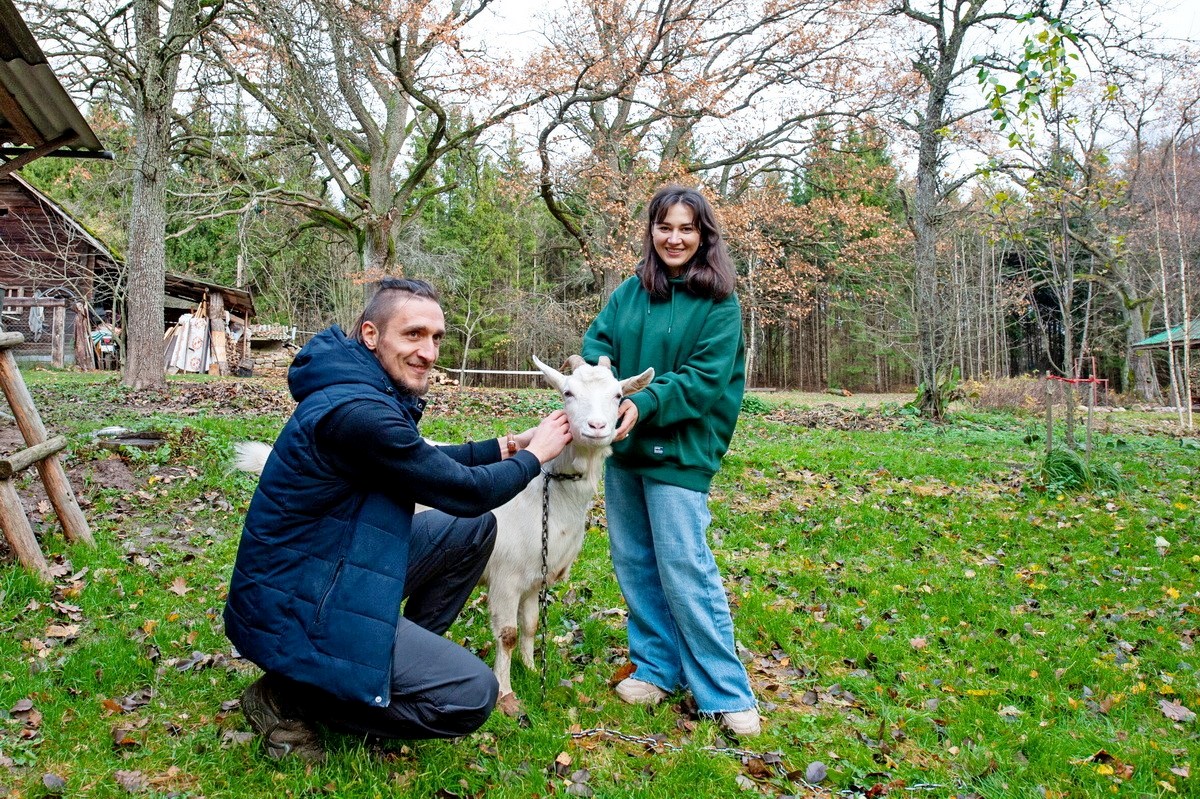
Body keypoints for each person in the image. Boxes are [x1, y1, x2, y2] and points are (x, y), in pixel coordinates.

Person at [224, 278, 572, 760]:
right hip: (295, 606)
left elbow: (423, 462)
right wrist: (535, 457)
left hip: (328, 569)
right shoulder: (358, 411)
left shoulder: (357, 388)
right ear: (371, 335)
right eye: (413, 335)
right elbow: (464, 491)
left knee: (471, 531)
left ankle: (378, 671)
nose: (428, 351)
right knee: (471, 696)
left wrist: (509, 445)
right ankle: (294, 699)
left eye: (436, 338)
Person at [581, 185, 760, 736]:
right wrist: (600, 377)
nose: (674, 238)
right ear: (651, 232)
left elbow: (705, 382)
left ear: (704, 234)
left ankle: (725, 691)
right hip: (625, 447)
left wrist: (645, 401)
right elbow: (597, 345)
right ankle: (658, 668)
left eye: (686, 228)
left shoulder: (720, 302)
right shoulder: (630, 292)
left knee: (684, 566)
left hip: (681, 450)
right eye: (664, 227)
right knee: (635, 561)